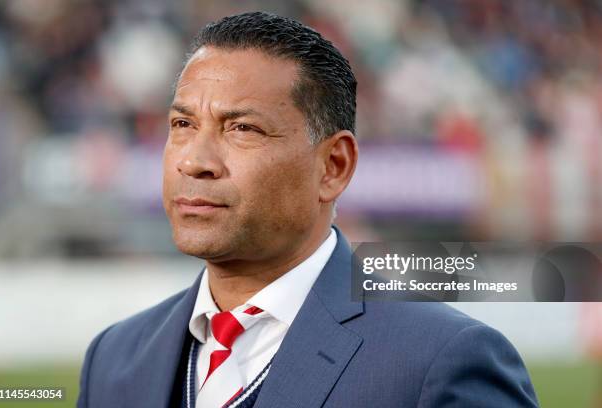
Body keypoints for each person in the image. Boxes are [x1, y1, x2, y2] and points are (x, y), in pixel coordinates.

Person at [77, 11, 539, 408]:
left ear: (333, 166)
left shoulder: (440, 361)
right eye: (182, 124)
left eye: (241, 128)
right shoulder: (114, 358)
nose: (194, 161)